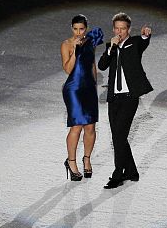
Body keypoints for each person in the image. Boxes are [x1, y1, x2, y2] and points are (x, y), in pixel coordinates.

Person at [97, 13, 153, 189]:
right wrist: (110, 48)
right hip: (114, 98)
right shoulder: (111, 46)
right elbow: (102, 65)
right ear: (113, 29)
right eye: (117, 28)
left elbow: (143, 42)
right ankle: (132, 171)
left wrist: (145, 35)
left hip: (130, 98)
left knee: (119, 136)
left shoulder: (135, 43)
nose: (120, 31)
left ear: (128, 29)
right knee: (118, 136)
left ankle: (117, 174)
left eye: (123, 28)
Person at [61, 14, 104, 181]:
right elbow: (68, 69)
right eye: (75, 29)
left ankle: (87, 159)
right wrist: (75, 50)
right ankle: (71, 162)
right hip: (73, 89)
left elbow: (92, 63)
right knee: (77, 127)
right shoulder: (66, 44)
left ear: (86, 28)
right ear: (72, 28)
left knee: (90, 128)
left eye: (82, 29)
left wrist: (94, 85)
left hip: (88, 88)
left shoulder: (90, 42)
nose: (79, 32)